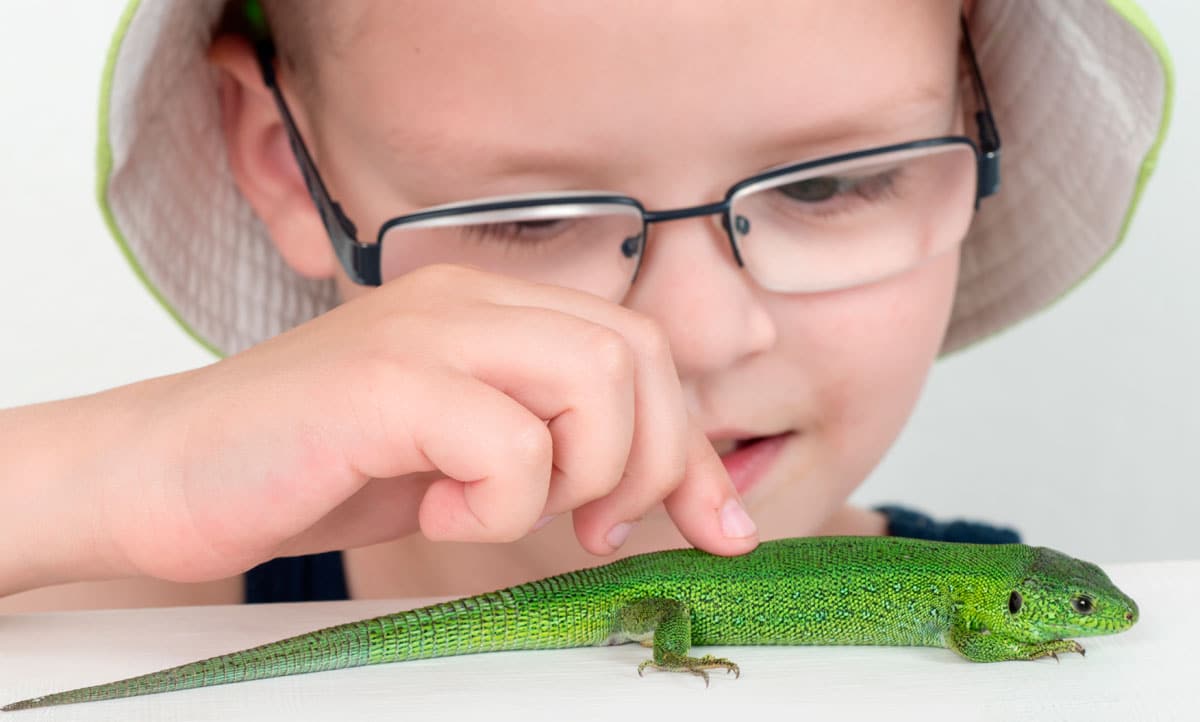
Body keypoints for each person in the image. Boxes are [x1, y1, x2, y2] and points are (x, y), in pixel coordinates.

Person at [0, 0, 1171, 611]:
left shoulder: (1024, 612)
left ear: (980, 118)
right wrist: (107, 468)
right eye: (532, 213)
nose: (699, 337)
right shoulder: (126, 589)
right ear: (280, 161)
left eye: (828, 182)